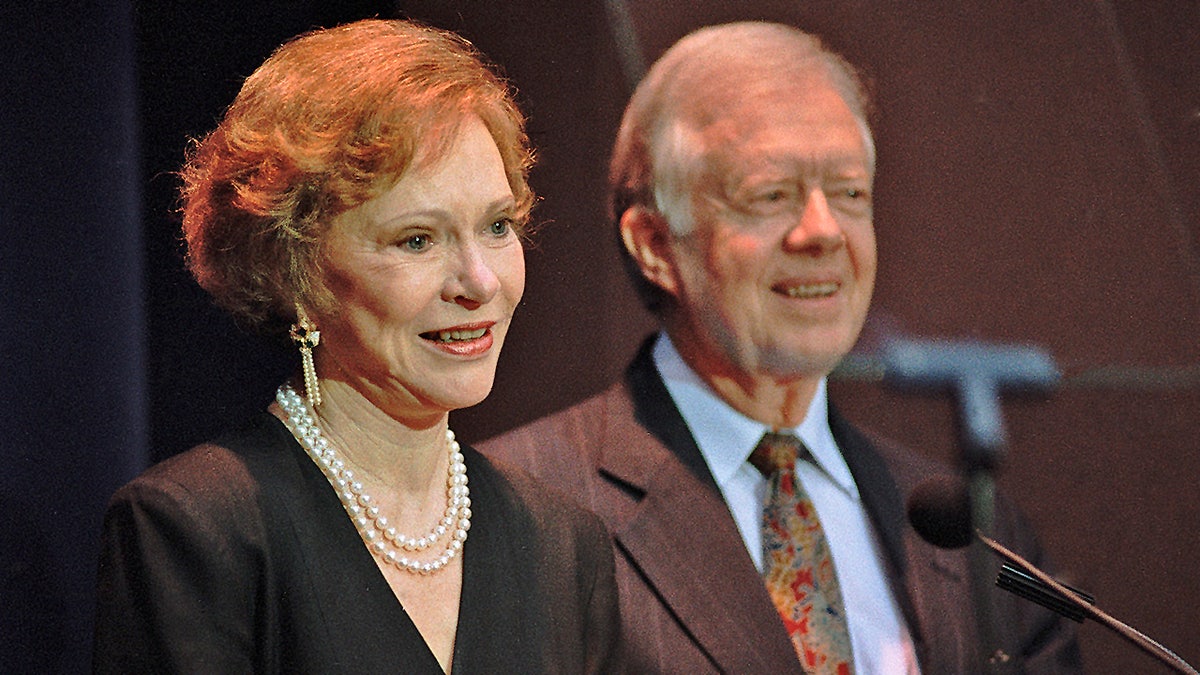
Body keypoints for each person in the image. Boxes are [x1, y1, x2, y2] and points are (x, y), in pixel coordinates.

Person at [480, 21, 1083, 673]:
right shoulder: (522, 511)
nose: (823, 231)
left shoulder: (978, 541)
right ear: (656, 245)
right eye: (771, 195)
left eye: (850, 192)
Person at [93, 19, 620, 673]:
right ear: (296, 270)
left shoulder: (565, 546)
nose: (480, 281)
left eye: (496, 225)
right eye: (417, 239)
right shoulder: (195, 530)